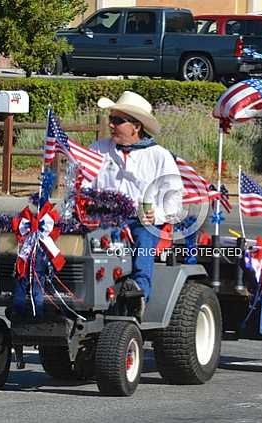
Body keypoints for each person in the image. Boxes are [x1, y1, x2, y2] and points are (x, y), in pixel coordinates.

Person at [89, 91, 183, 320]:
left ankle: (138, 294)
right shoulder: (97, 150)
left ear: (136, 126)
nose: (111, 124)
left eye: (118, 120)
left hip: (141, 219)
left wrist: (156, 215)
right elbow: (83, 185)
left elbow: (175, 200)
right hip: (103, 216)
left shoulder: (158, 156)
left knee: (143, 240)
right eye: (111, 119)